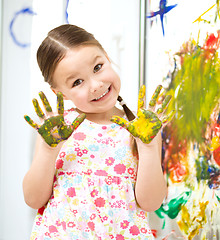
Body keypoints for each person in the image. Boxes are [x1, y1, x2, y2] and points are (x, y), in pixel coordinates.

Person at [23, 24, 174, 239]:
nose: (95, 85)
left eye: (97, 67)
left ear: (107, 56)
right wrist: (48, 151)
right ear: (60, 93)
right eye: (77, 82)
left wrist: (148, 147)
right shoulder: (57, 131)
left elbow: (151, 202)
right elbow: (33, 199)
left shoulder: (141, 128)